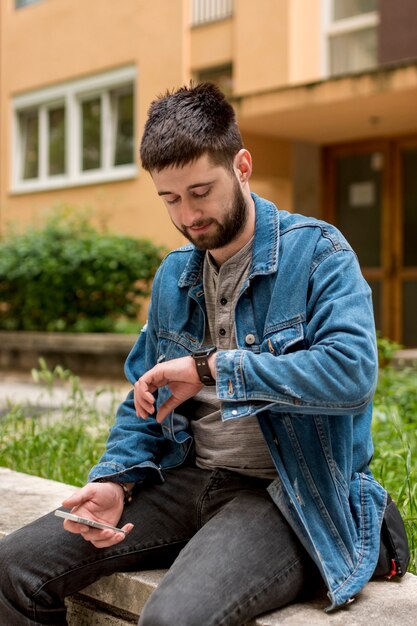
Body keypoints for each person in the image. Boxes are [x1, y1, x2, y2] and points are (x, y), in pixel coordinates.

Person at [0, 82, 388, 626]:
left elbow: (351, 374)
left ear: (242, 166)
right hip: (186, 478)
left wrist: (209, 368)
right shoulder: (174, 275)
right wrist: (116, 480)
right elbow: (144, 395)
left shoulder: (319, 252)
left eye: (201, 191)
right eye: (170, 199)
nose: (188, 215)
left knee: (173, 618)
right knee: (13, 567)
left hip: (285, 491)